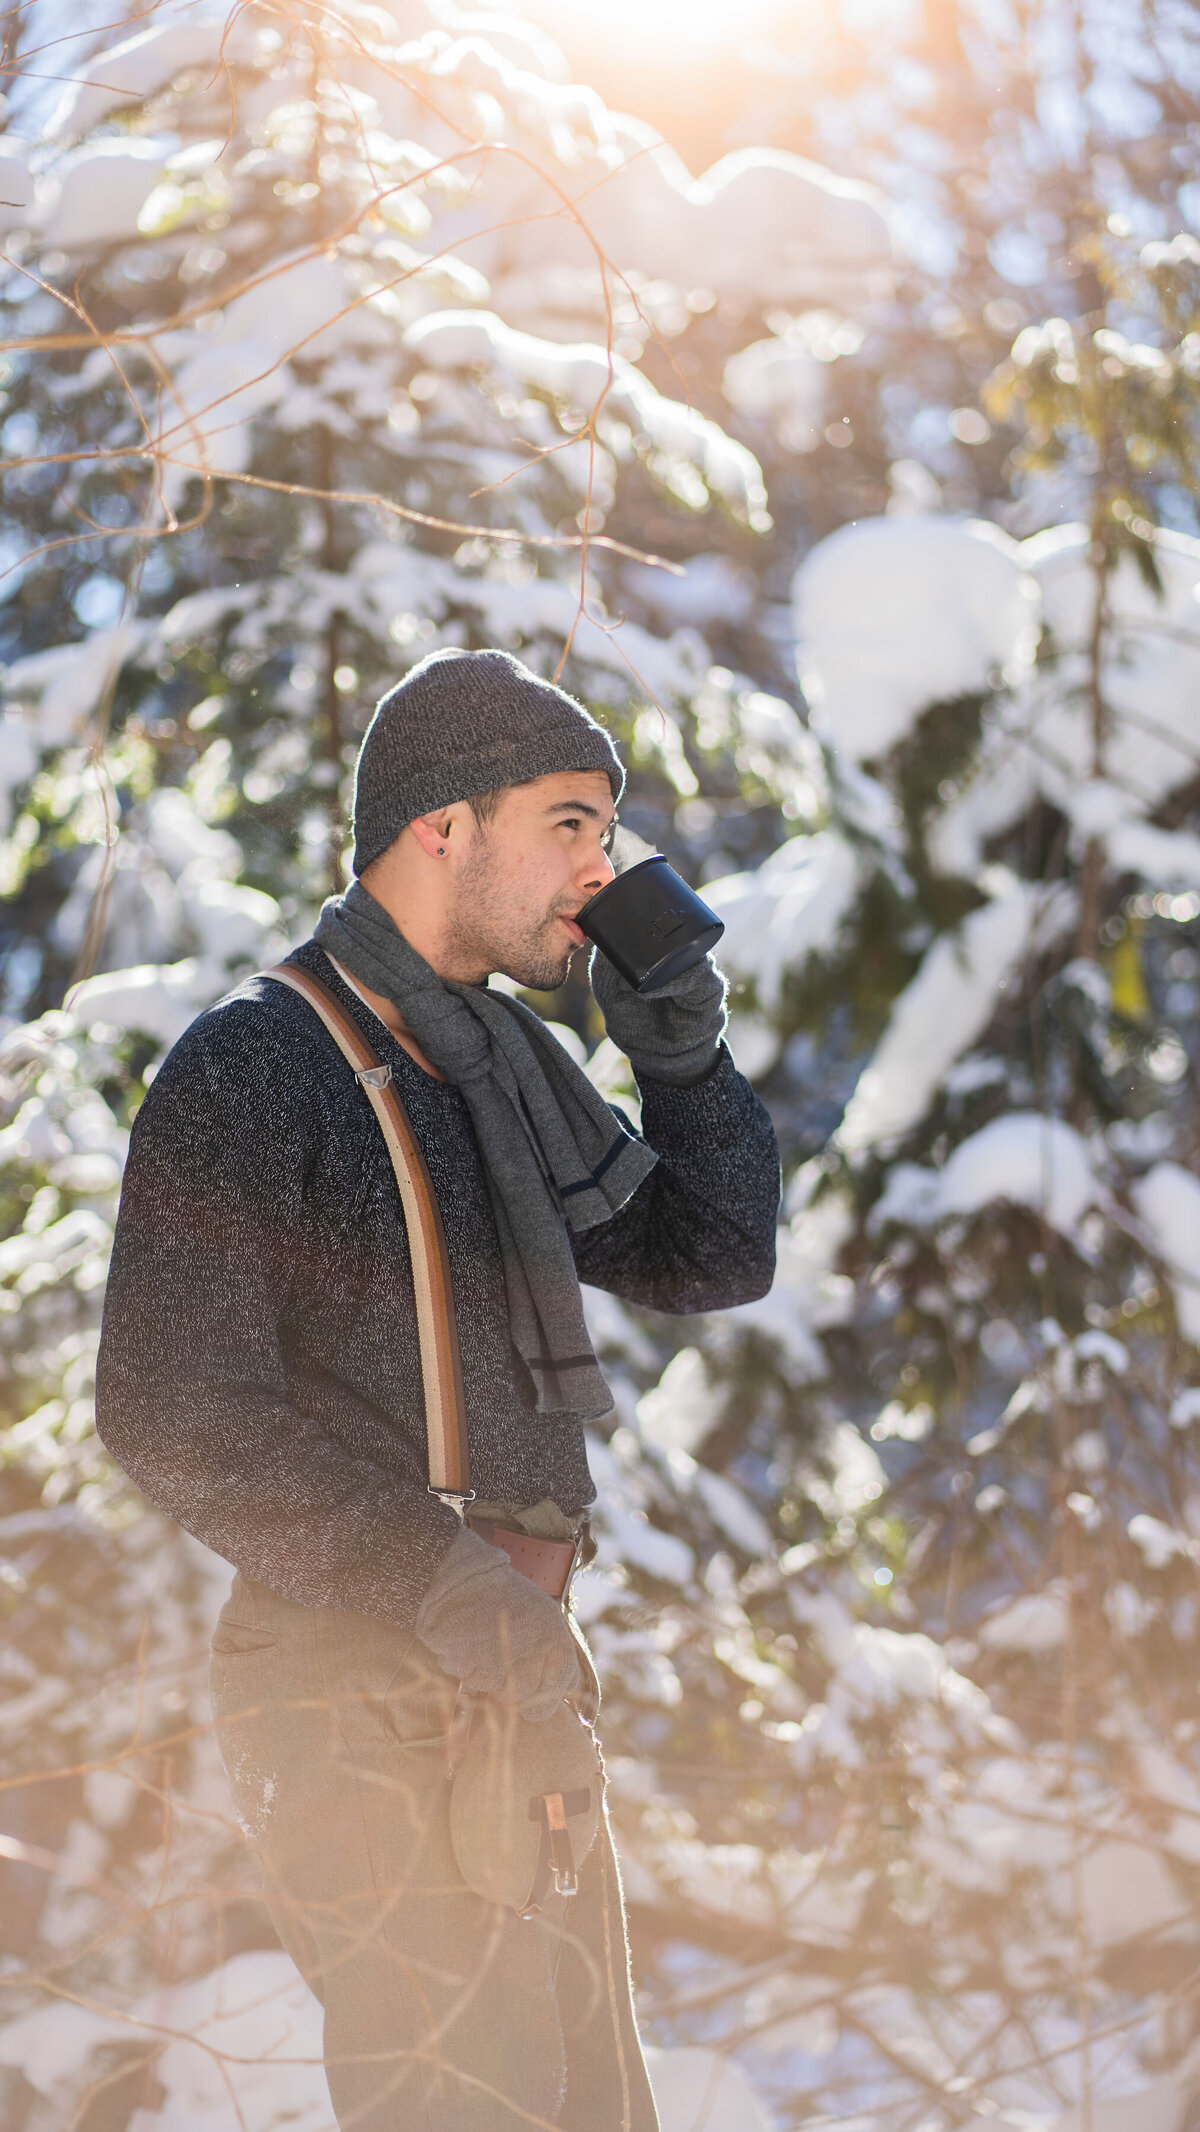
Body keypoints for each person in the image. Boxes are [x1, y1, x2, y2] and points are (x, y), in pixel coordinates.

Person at [95, 648, 781, 2131]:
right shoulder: (255, 1066)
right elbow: (168, 1406)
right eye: (571, 823)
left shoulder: (496, 1071)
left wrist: (683, 1056)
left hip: (509, 1674)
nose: (602, 870)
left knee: (586, 2109)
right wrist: (438, 1576)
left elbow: (710, 1254)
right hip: (356, 1681)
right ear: (439, 827)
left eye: (610, 831)